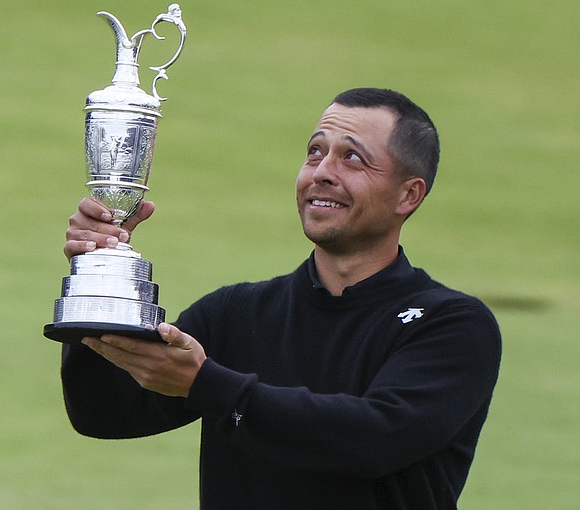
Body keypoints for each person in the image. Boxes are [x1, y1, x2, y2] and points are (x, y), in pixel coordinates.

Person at [59, 88, 502, 509]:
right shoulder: (237, 313)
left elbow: (376, 439)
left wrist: (207, 385)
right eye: (315, 151)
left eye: (352, 158)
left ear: (409, 194)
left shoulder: (452, 324)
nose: (322, 172)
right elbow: (105, 413)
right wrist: (96, 277)